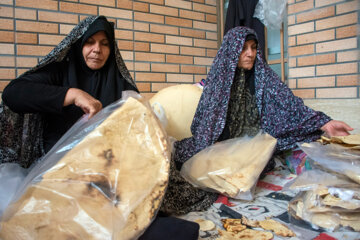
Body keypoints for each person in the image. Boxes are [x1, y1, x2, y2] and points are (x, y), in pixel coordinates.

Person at [0, 15, 199, 240]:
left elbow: (139, 134)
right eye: (90, 42)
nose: (97, 50)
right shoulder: (59, 73)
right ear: (78, 44)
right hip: (58, 174)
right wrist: (71, 94)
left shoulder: (119, 84)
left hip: (107, 176)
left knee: (143, 219)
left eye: (105, 44)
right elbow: (12, 94)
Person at [160, 26, 353, 215]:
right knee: (180, 161)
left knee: (304, 147)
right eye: (244, 48)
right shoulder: (219, 80)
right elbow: (205, 120)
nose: (250, 53)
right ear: (232, 50)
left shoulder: (264, 77)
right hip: (221, 145)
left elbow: (289, 103)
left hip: (255, 146)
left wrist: (324, 122)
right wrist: (214, 142)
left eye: (253, 47)